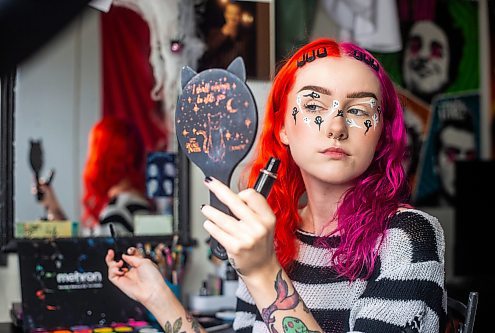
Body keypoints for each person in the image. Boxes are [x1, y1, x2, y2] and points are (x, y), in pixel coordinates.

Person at [106, 38, 446, 332]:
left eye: (359, 111)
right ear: (282, 127)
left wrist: (261, 270)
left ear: (381, 134)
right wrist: (159, 298)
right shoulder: (278, 233)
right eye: (314, 105)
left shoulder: (408, 237)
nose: (337, 127)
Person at [36, 115, 152, 236]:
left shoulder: (120, 208)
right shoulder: (131, 203)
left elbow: (88, 250)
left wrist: (54, 208)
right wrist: (54, 207)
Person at [197, 2, 253, 74]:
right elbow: (205, 53)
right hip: (215, 75)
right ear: (225, 15)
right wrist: (223, 35)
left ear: (240, 17)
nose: (233, 17)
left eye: (236, 14)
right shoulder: (214, 33)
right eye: (230, 13)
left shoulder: (244, 39)